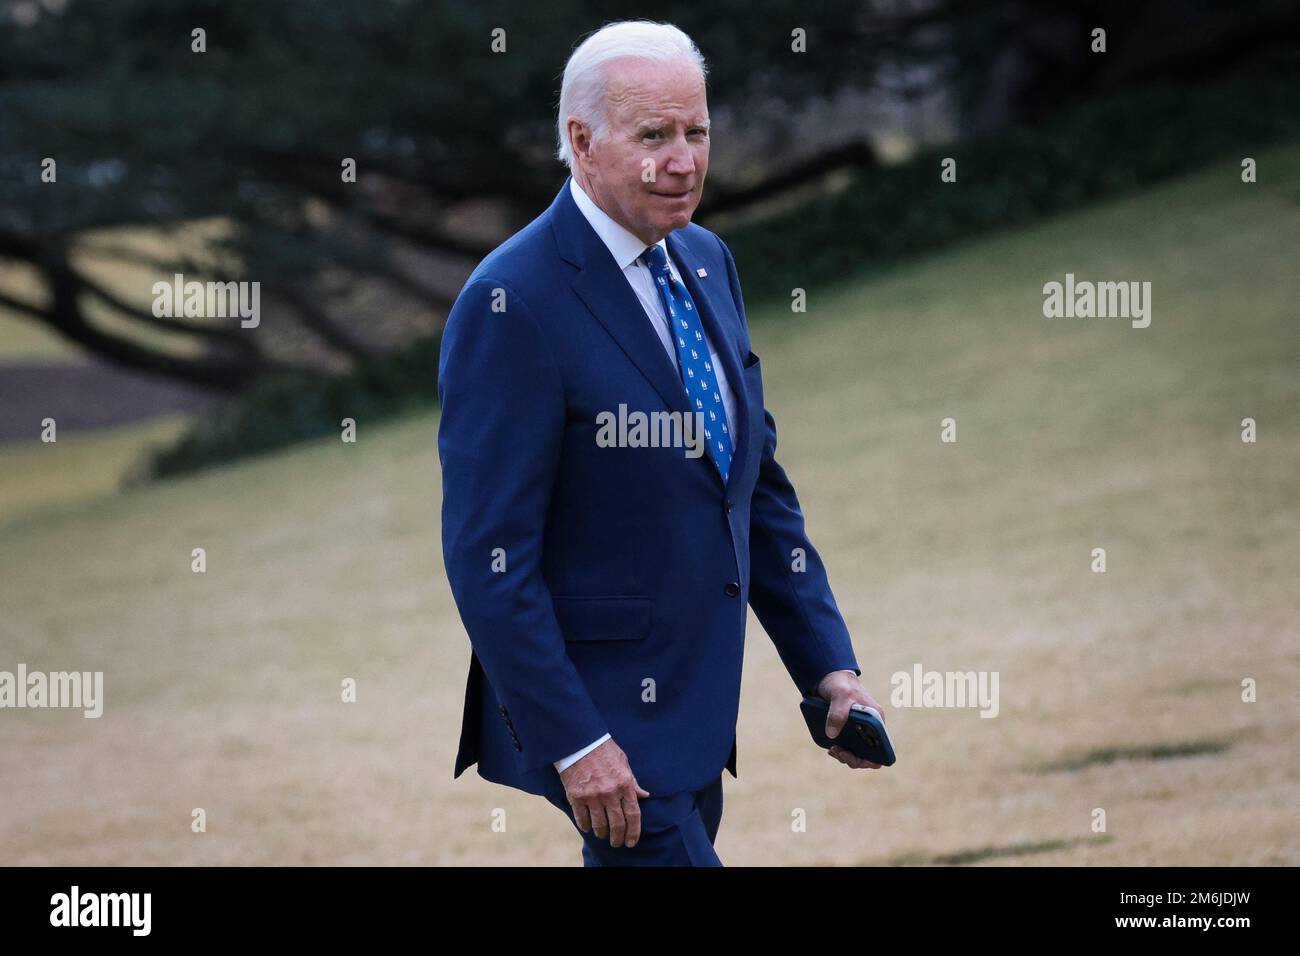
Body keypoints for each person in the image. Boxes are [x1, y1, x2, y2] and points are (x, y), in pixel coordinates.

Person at [438, 19, 887, 867]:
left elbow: (750, 487)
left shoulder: (707, 260)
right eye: (654, 136)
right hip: (608, 736)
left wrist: (827, 668)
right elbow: (487, 557)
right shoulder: (510, 301)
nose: (683, 160)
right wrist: (574, 744)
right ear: (581, 141)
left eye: (696, 131)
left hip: (695, 710)